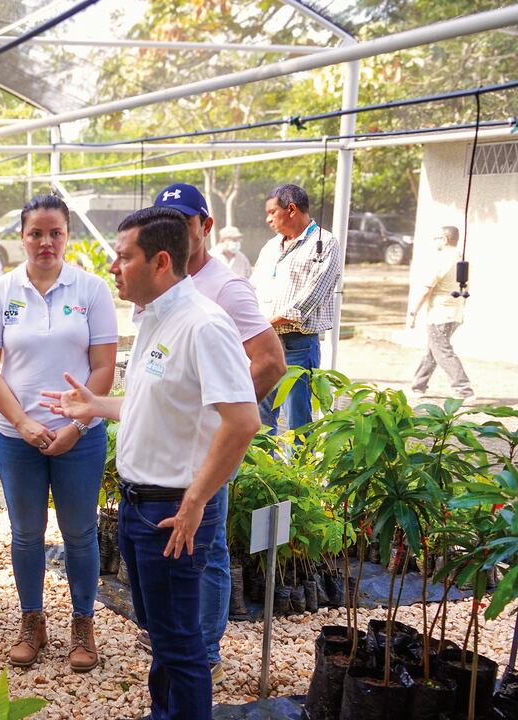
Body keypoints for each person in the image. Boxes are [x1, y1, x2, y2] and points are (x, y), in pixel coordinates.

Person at [42, 206, 259, 720]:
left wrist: (196, 502)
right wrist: (97, 406)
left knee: (182, 646)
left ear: (161, 261)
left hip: (171, 511)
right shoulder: (156, 319)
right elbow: (157, 405)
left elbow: (242, 420)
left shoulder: (203, 324)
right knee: (162, 635)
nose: (113, 268)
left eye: (123, 257)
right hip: (141, 506)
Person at [147, 184, 286, 684]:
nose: (176, 231)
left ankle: (203, 649)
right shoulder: (165, 278)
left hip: (205, 445)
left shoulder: (224, 288)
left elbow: (270, 361)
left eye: (185, 222)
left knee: (206, 549)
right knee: (185, 544)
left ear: (205, 227)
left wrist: (223, 417)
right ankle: (184, 639)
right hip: (172, 447)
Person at [0, 194, 117, 671]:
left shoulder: (91, 290)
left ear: (67, 236)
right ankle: (32, 621)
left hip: (81, 436)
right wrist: (24, 422)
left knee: (80, 533)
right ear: (22, 237)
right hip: (16, 438)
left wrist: (77, 425)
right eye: (36, 232)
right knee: (27, 533)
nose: (45, 242)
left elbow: (103, 367)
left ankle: (83, 624)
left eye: (55, 232)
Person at [248, 184, 341, 432]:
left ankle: (299, 470)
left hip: (297, 344)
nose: (268, 219)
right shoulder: (271, 246)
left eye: (272, 212)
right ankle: (264, 470)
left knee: (297, 419)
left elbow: (312, 296)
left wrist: (265, 324)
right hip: (264, 344)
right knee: (261, 416)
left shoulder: (324, 243)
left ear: (291, 209)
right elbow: (253, 286)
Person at [409, 225, 473, 400]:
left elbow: (426, 289)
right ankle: (418, 386)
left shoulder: (441, 259)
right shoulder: (463, 259)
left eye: (437, 238)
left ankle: (464, 390)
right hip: (456, 313)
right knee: (433, 350)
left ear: (445, 239)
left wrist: (413, 312)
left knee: (442, 351)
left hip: (440, 315)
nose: (435, 241)